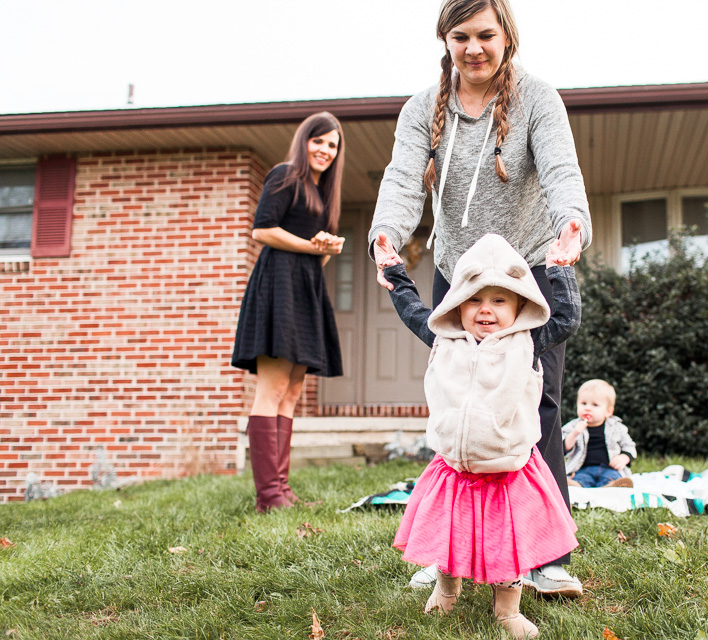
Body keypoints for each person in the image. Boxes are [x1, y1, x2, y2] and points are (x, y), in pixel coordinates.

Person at [368, 0, 591, 597]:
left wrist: (572, 225)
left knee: (535, 404)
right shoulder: (423, 108)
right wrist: (387, 232)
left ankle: (545, 555)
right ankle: (447, 550)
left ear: (506, 37)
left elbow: (562, 171)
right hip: (459, 274)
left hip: (530, 268)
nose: (474, 48)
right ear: (445, 40)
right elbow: (400, 176)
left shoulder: (537, 99)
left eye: (486, 35)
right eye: (461, 37)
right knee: (458, 403)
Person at [378, 233, 580, 639]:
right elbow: (413, 310)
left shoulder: (529, 344)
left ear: (521, 304)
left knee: (508, 546)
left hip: (508, 470)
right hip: (454, 467)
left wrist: (559, 270)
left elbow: (567, 319)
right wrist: (395, 274)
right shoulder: (444, 340)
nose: (486, 310)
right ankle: (446, 591)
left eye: (499, 301)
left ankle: (507, 610)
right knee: (450, 537)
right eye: (474, 300)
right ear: (457, 303)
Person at [232, 112, 346, 512]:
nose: (325, 150)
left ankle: (281, 488)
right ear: (305, 140)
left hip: (305, 288)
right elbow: (261, 230)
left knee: (294, 390)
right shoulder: (285, 175)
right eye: (319, 141)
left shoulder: (322, 191)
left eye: (332, 145)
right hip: (277, 286)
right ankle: (268, 496)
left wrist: (326, 250)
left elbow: (314, 259)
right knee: (273, 388)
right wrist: (312, 246)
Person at [562, 379, 638, 488]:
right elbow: (562, 449)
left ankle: (611, 486)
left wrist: (624, 457)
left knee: (612, 477)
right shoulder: (573, 426)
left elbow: (629, 446)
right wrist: (574, 434)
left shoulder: (616, 426)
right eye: (583, 403)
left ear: (608, 411)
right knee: (582, 479)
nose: (587, 408)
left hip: (609, 468)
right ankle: (575, 486)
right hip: (583, 469)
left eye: (595, 405)